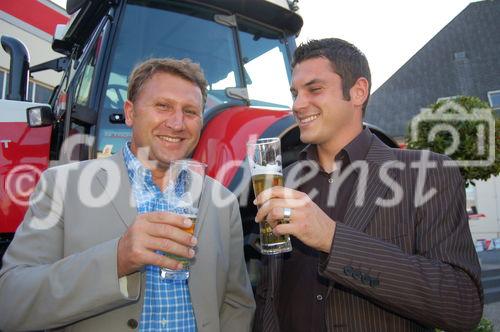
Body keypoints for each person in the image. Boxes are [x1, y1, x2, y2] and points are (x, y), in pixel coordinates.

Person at [0, 58, 255, 331]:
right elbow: (11, 303)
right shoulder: (61, 186)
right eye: (163, 106)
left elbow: (236, 303)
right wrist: (117, 259)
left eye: (190, 111)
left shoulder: (224, 202)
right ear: (130, 113)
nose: (178, 123)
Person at [253, 38, 483, 331]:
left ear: (358, 91)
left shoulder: (427, 173)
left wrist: (331, 239)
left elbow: (462, 304)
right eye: (295, 93)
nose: (298, 105)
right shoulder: (283, 181)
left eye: (314, 89)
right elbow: (269, 294)